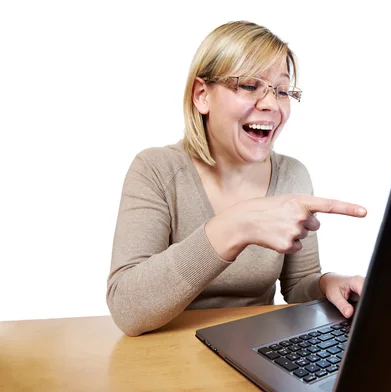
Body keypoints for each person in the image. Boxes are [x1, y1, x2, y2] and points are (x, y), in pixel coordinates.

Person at [107, 21, 367, 337]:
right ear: (202, 95)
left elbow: (298, 287)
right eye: (249, 85)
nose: (271, 103)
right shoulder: (155, 170)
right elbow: (127, 309)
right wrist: (235, 227)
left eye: (282, 91)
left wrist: (329, 284)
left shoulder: (292, 175)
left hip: (254, 351)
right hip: (170, 356)